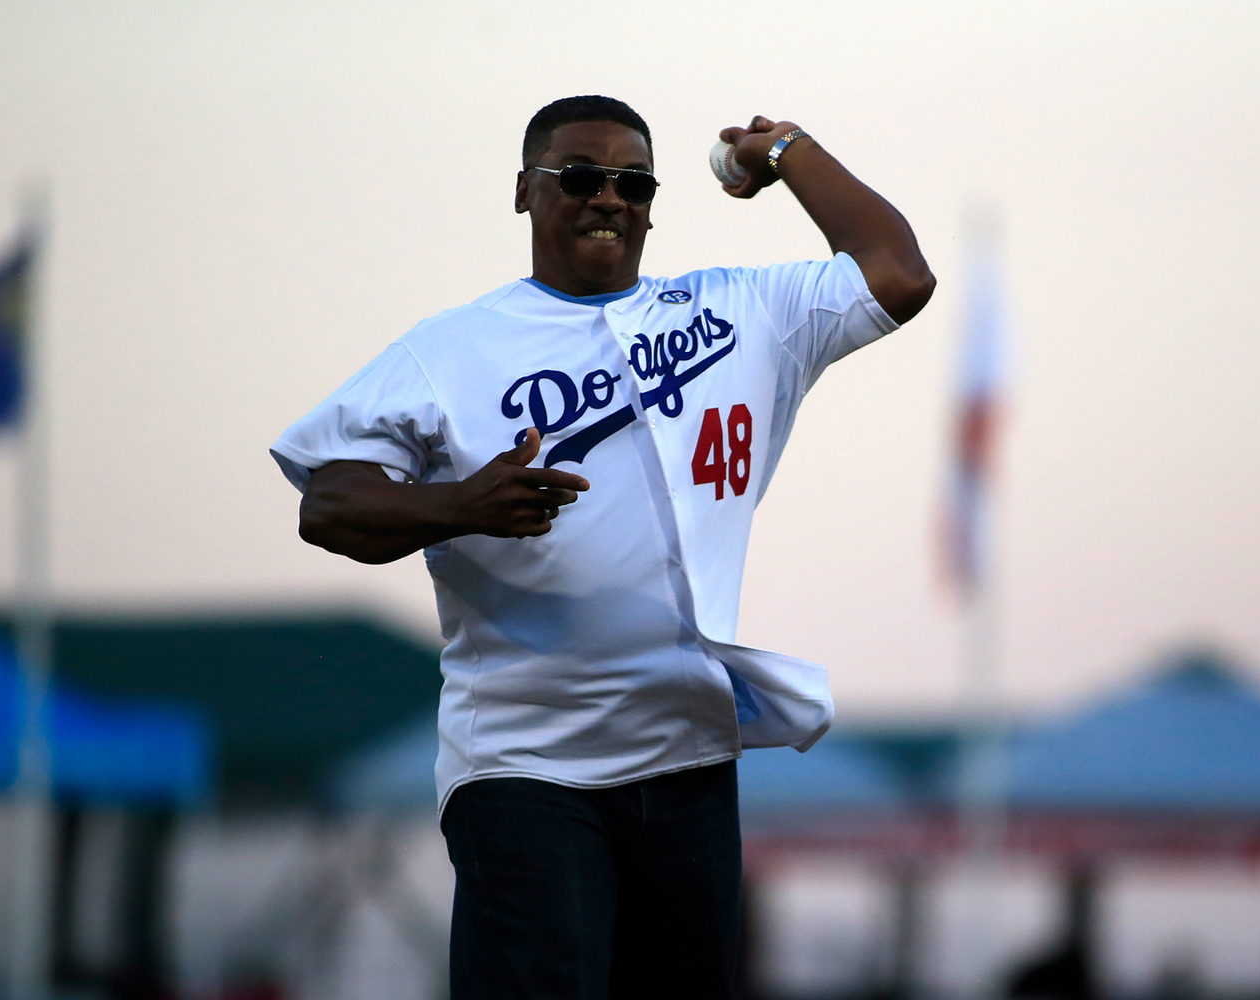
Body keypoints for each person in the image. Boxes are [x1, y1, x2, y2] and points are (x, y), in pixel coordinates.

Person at [269, 95, 933, 999]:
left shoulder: (743, 313)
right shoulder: (451, 350)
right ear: (525, 193)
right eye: (580, 177)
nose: (608, 198)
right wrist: (460, 504)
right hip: (527, 766)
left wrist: (785, 148)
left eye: (632, 182)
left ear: (655, 203)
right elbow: (330, 505)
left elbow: (898, 273)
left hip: (688, 757)